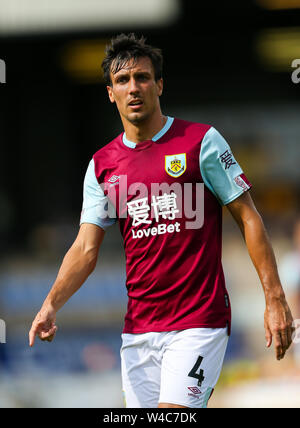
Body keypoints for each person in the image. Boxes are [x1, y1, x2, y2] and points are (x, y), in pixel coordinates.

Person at [29, 33, 294, 408]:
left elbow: (248, 218)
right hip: (138, 331)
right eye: (122, 80)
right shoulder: (102, 166)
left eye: (142, 77)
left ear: (159, 85)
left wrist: (275, 299)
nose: (133, 88)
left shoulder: (201, 142)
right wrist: (50, 304)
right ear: (110, 92)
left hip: (199, 322)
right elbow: (86, 248)